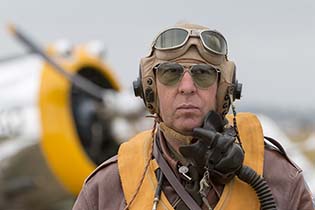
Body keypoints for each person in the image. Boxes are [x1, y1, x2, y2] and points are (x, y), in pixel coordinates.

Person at [73, 23, 314, 210]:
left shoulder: (278, 178)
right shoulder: (109, 187)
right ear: (150, 89)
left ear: (224, 91)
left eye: (203, 74)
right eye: (170, 73)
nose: (187, 86)